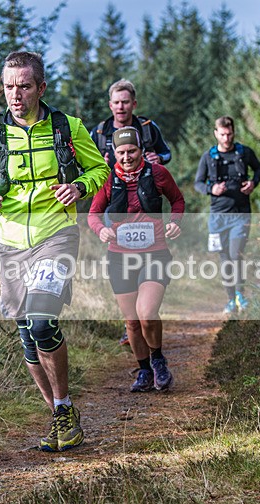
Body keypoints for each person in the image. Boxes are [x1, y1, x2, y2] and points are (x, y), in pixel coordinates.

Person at [0, 51, 109, 452]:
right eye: (9, 86)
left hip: (56, 235)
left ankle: (64, 407)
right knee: (27, 336)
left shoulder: (67, 127)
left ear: (41, 87)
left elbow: (100, 170)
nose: (15, 94)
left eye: (24, 86)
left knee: (42, 323)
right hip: (10, 244)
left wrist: (79, 187)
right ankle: (61, 415)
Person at [88, 126, 184, 392]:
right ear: (113, 153)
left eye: (131, 151)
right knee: (131, 320)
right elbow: (93, 214)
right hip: (120, 257)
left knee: (147, 313)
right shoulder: (108, 179)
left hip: (155, 253)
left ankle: (158, 360)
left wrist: (175, 222)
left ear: (141, 150)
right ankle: (144, 371)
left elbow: (177, 200)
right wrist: (101, 230)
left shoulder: (158, 173)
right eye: (121, 152)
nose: (126, 157)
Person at [91, 78, 172, 345]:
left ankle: (146, 310)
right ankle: (132, 323)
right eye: (116, 102)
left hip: (146, 199)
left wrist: (158, 159)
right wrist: (99, 165)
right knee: (122, 260)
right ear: (110, 105)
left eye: (125, 102)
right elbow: (84, 164)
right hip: (113, 201)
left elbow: (167, 153)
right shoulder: (99, 132)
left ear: (133, 104)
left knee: (147, 255)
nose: (121, 107)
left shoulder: (147, 128)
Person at [194, 116, 260, 314]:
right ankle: (231, 299)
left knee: (236, 254)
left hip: (241, 214)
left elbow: (259, 169)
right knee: (225, 260)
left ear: (234, 132)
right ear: (216, 133)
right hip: (218, 217)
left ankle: (241, 295)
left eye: (229, 134)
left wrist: (253, 183)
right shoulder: (208, 157)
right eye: (223, 134)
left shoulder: (244, 152)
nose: (226, 138)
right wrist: (211, 189)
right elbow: (198, 183)